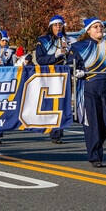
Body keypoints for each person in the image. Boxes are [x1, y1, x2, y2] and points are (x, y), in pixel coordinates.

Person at [68, 17, 106, 168]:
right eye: (95, 27)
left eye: (100, 26)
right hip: (89, 88)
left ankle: (97, 141)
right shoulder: (79, 47)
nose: (99, 29)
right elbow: (70, 66)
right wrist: (77, 71)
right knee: (93, 124)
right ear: (88, 31)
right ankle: (95, 156)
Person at [35, 15, 76, 144]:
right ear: (50, 26)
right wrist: (55, 56)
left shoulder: (70, 40)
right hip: (50, 75)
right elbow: (40, 59)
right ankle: (54, 131)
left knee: (63, 104)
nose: (58, 27)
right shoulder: (43, 40)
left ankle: (58, 131)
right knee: (52, 105)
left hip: (65, 74)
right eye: (55, 25)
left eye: (60, 25)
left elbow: (75, 57)